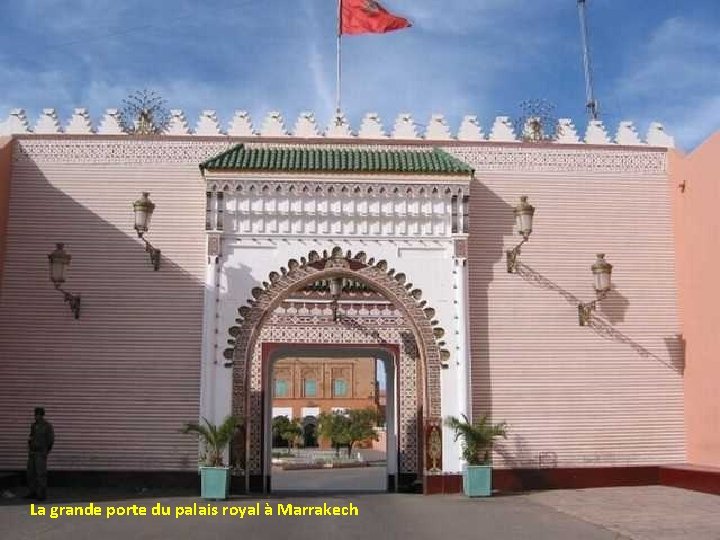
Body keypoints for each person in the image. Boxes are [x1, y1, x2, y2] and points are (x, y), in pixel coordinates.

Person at [26, 407, 54, 501]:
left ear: (42, 415)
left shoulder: (47, 426)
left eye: (38, 414)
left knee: (40, 474)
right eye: (35, 414)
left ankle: (41, 494)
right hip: (32, 452)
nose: (36, 416)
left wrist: (45, 450)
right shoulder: (33, 426)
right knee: (31, 473)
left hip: (40, 453)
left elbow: (50, 440)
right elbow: (31, 436)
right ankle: (32, 492)